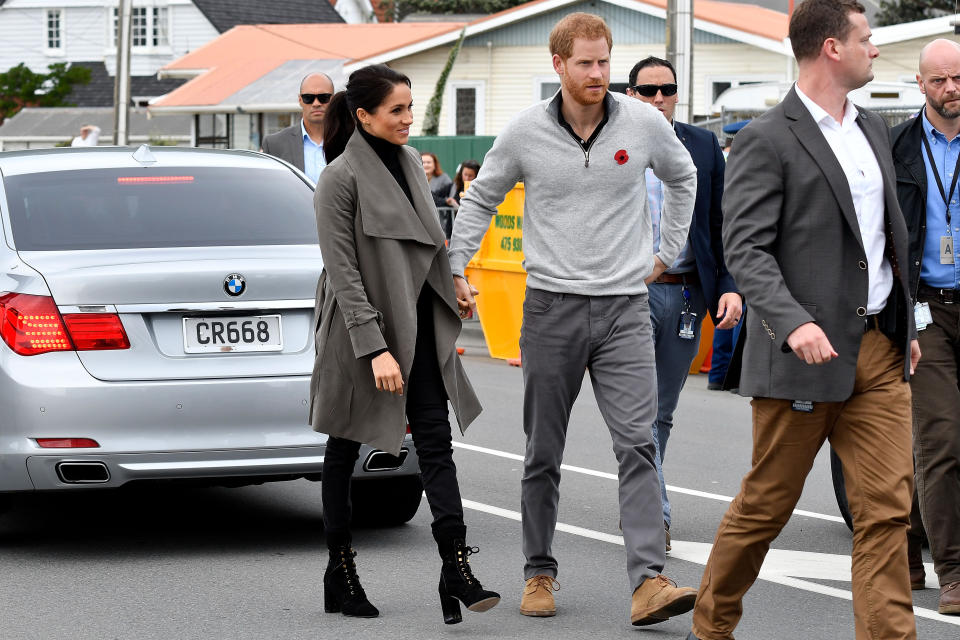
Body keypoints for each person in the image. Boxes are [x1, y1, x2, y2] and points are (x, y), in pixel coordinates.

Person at [449, 12, 700, 626]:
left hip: (624, 310)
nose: (597, 73)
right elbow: (481, 196)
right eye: (585, 63)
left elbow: (684, 175)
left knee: (639, 443)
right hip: (551, 309)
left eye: (604, 61)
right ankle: (538, 571)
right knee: (542, 452)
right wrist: (457, 267)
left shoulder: (641, 122)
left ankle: (648, 582)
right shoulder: (525, 132)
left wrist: (666, 252)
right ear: (557, 65)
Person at [688, 2, 920, 638]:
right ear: (831, 49)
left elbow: (886, 240)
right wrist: (792, 322)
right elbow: (746, 249)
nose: (875, 50)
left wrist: (907, 322)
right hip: (802, 357)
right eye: (865, 39)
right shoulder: (767, 137)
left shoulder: (873, 128)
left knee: (886, 512)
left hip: (879, 350)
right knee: (766, 507)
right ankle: (712, 624)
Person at [309, 63, 499, 624]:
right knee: (345, 448)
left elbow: (430, 246)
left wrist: (455, 287)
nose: (407, 120)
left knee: (435, 444)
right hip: (360, 331)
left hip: (418, 326)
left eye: (410, 109)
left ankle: (455, 566)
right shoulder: (338, 179)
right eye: (396, 110)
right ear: (363, 115)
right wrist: (374, 348)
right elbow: (343, 274)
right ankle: (340, 569)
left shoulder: (414, 164)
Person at [625, 56, 741, 551]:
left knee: (664, 410)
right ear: (630, 94)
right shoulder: (612, 140)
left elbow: (719, 221)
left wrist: (729, 284)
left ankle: (641, 496)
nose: (657, 99)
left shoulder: (702, 143)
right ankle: (656, 514)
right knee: (642, 410)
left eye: (666, 90)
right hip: (630, 291)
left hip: (689, 291)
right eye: (647, 90)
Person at [890, 37, 960, 616]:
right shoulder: (897, 148)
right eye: (938, 80)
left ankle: (910, 540)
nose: (950, 89)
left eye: (958, 78)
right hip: (924, 310)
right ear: (920, 85)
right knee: (941, 438)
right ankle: (954, 570)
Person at [261, 72, 335, 182]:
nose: (316, 103)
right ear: (300, 100)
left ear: (333, 99)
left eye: (323, 97)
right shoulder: (274, 144)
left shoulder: (351, 141)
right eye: (308, 98)